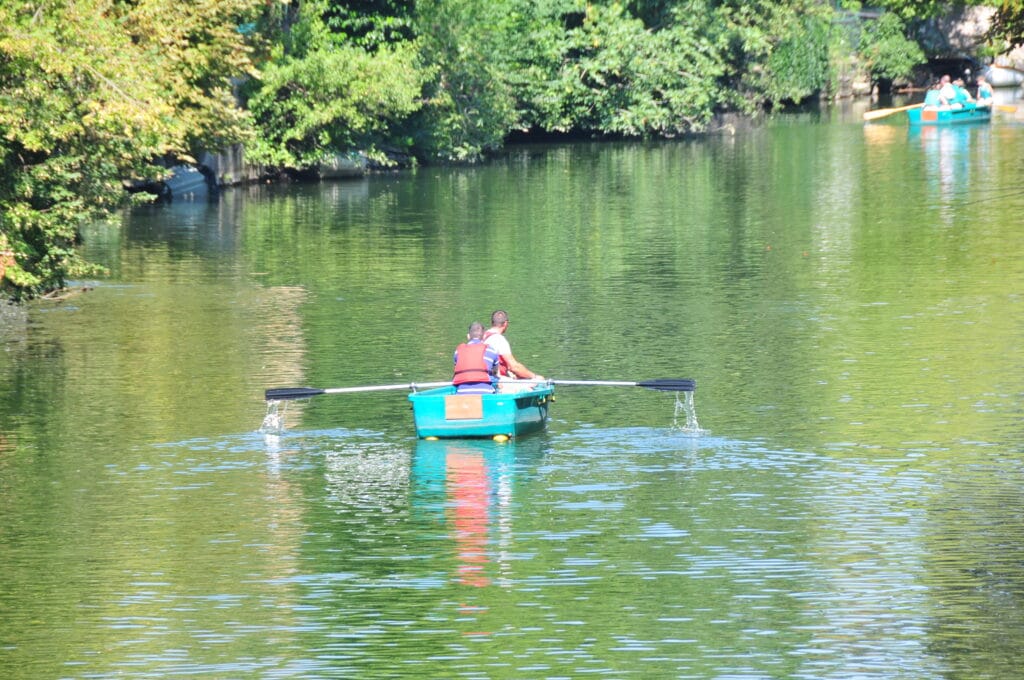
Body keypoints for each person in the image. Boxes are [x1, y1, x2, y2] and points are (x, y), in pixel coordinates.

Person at [483, 310, 544, 391]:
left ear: (492, 323)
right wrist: (534, 377)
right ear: (505, 324)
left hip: (484, 377)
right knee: (540, 382)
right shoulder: (499, 340)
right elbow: (514, 367)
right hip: (495, 380)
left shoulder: (482, 336)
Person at [452, 321, 500, 394]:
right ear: (484, 336)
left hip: (461, 393)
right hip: (486, 393)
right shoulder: (491, 350)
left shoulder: (457, 352)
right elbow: (496, 373)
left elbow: (456, 372)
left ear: (468, 336)